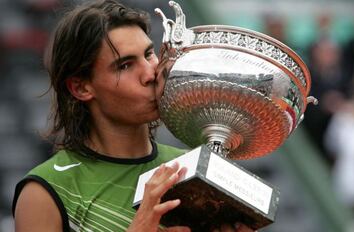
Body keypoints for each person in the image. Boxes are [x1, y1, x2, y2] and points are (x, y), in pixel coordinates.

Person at [12, 1, 254, 232]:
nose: (151, 73)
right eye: (125, 65)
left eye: (149, 54)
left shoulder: (188, 170)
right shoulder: (45, 190)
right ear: (81, 88)